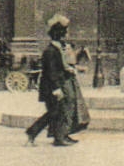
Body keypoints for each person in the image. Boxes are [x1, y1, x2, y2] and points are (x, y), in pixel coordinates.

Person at [25, 14, 82, 147]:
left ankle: (61, 135)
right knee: (54, 112)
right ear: (59, 34)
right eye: (64, 32)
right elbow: (52, 72)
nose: (66, 34)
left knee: (59, 112)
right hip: (51, 88)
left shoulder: (58, 49)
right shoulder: (50, 51)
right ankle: (33, 132)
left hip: (56, 85)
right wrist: (57, 89)